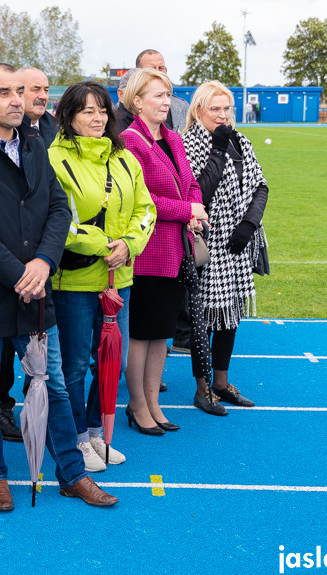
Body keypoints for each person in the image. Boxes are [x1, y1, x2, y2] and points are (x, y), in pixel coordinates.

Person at [0, 62, 119, 512]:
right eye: (4, 92)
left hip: (36, 294)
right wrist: (21, 272)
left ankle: (71, 474)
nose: (17, 99)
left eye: (20, 90)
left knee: (54, 385)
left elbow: (60, 209)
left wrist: (42, 262)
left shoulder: (37, 144)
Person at [48, 81, 155, 470]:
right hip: (74, 284)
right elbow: (59, 220)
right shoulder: (54, 160)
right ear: (68, 116)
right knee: (74, 365)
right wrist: (105, 244)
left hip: (119, 279)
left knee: (113, 361)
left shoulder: (124, 157)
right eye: (86, 111)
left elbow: (146, 209)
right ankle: (76, 439)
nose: (97, 118)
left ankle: (97, 433)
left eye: (102, 110)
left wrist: (131, 243)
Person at [120, 68, 208, 431]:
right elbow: (142, 200)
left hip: (176, 251)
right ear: (137, 101)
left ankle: (154, 402)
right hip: (146, 254)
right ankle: (137, 405)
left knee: (162, 335)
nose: (166, 102)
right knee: (141, 333)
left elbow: (190, 184)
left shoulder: (171, 138)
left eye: (168, 95)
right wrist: (187, 210)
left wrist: (195, 206)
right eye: (158, 95)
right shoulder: (130, 141)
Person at [181, 80, 268, 414]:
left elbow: (260, 185)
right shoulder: (188, 144)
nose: (221, 115)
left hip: (237, 244)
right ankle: (202, 389)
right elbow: (198, 193)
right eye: (214, 109)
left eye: (226, 108)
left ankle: (221, 382)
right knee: (203, 318)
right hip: (203, 241)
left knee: (230, 315)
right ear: (199, 110)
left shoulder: (240, 141)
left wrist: (248, 224)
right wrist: (217, 149)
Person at [0, 64, 58, 444]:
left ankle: (34, 407)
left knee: (43, 351)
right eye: (33, 88)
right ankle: (1, 407)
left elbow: (55, 202)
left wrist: (44, 260)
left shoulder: (47, 130)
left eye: (44, 88)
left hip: (44, 258)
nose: (39, 95)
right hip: (4, 265)